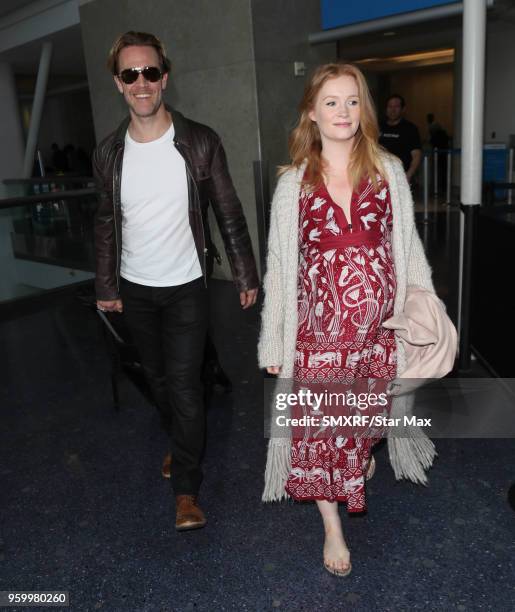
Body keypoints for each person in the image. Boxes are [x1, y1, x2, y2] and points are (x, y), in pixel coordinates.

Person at [258, 64, 435, 577]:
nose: (343, 112)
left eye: (352, 101)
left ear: (366, 109)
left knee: (360, 425)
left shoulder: (389, 170)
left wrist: (421, 316)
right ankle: (332, 527)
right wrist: (274, 345)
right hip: (319, 336)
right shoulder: (293, 184)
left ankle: (357, 455)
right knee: (320, 431)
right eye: (331, 102)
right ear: (311, 112)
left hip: (378, 334)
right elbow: (281, 269)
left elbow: (408, 251)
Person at [93, 31, 259, 531]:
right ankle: (180, 443)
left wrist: (245, 271)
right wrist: (105, 285)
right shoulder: (108, 154)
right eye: (130, 74)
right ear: (119, 84)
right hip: (135, 288)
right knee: (158, 379)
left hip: (188, 285)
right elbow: (105, 221)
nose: (141, 83)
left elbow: (227, 210)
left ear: (164, 78)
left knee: (186, 387)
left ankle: (186, 488)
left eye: (149, 72)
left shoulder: (199, 140)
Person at [379, 94, 422, 183]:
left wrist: (409, 174)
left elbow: (416, 155)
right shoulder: (378, 127)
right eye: (390, 106)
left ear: (403, 109)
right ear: (386, 109)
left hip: (401, 177)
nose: (393, 110)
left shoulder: (410, 129)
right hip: (380, 176)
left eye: (396, 107)